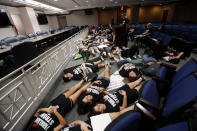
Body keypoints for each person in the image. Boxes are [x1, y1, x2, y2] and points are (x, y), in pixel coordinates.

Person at [28, 79, 92, 131]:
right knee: (80, 91)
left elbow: (39, 110)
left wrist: (47, 109)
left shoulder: (30, 127)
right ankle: (92, 81)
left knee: (73, 88)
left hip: (54, 103)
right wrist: (55, 112)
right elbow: (63, 124)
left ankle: (85, 79)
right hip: (63, 108)